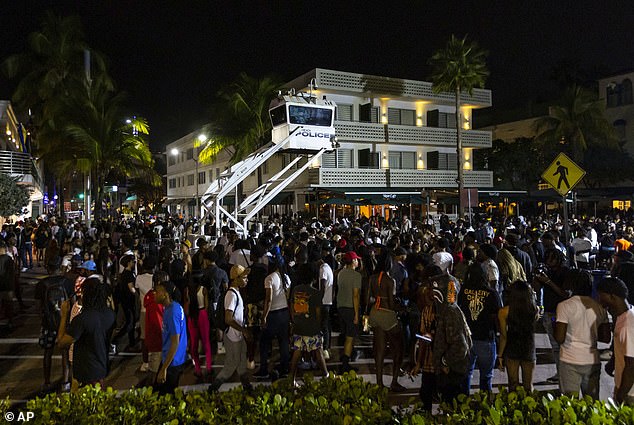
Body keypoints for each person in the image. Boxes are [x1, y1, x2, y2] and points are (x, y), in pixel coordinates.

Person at [554, 269, 610, 399]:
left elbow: (560, 338)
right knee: (591, 404)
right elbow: (606, 338)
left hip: (569, 359)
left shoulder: (564, 306)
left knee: (569, 404)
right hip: (592, 360)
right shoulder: (599, 307)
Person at [57, 278, 115, 390]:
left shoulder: (82, 319)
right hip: (102, 368)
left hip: (85, 373)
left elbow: (61, 342)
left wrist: (64, 315)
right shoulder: (110, 314)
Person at [457, 263, 501, 393]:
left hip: (466, 337)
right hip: (485, 338)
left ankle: (463, 403)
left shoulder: (463, 290)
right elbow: (497, 316)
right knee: (486, 376)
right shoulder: (491, 293)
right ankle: (484, 405)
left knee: (466, 374)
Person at [208, 264, 252, 392]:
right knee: (230, 366)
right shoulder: (232, 295)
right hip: (233, 336)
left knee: (241, 363)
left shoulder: (236, 292)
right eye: (244, 277)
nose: (246, 280)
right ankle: (213, 388)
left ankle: (247, 387)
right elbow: (228, 319)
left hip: (237, 335)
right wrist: (243, 330)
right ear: (236, 279)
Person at [34, 258, 73, 392]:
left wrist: (43, 319)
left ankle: (46, 381)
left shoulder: (42, 284)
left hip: (48, 323)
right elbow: (72, 301)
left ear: (48, 268)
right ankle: (65, 381)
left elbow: (39, 306)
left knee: (47, 352)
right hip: (64, 321)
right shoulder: (67, 282)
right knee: (65, 353)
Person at [431, 273, 472, 403]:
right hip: (452, 371)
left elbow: (461, 346)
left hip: (453, 373)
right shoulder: (449, 310)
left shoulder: (450, 312)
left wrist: (444, 361)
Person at [365, 264, 405, 392]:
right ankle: (394, 382)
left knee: (379, 350)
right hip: (387, 314)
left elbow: (367, 299)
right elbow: (392, 304)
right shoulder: (390, 280)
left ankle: (379, 383)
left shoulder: (372, 278)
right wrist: (402, 308)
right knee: (398, 349)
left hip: (375, 312)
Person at [289, 263, 329, 386]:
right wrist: (318, 325)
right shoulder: (315, 293)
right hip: (312, 327)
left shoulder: (296, 290)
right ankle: (326, 375)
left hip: (299, 325)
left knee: (297, 352)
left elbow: (292, 308)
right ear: (313, 277)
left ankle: (291, 379)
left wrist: (294, 321)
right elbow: (318, 313)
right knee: (318, 351)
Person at [597, 277, 634, 405]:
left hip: (630, 392)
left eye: (602, 296)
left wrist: (619, 396)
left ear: (612, 296)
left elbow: (631, 365)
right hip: (624, 386)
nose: (599, 300)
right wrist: (612, 364)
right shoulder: (624, 315)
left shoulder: (628, 324)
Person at [498, 280, 539, 392]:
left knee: (513, 384)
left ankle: (513, 406)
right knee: (528, 386)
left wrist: (500, 355)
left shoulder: (504, 312)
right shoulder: (535, 310)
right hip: (528, 347)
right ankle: (529, 408)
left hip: (512, 347)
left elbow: (503, 336)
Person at [255, 259, 291, 379]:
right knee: (284, 341)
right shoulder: (286, 277)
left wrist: (264, 316)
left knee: (264, 342)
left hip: (273, 313)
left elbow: (268, 299)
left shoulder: (269, 278)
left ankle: (264, 368)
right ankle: (285, 368)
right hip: (284, 312)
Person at [154, 280, 187, 394]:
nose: (155, 294)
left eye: (157, 292)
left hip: (172, 361)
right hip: (172, 359)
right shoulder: (173, 307)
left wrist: (164, 369)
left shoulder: (172, 312)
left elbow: (175, 342)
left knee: (164, 395)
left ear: (165, 294)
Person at [336, 251, 362, 373]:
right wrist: (357, 314)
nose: (358, 261)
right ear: (353, 261)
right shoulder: (356, 276)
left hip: (340, 306)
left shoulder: (340, 273)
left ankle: (347, 358)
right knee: (350, 337)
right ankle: (345, 364)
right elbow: (355, 296)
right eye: (356, 259)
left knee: (347, 334)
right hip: (350, 308)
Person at [184, 271, 213, 379]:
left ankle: (197, 369)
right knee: (206, 342)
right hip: (202, 314)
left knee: (194, 344)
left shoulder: (187, 290)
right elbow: (206, 306)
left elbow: (186, 309)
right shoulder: (203, 289)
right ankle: (208, 367)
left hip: (192, 316)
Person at [0, 240, 16, 329]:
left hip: (1, 284)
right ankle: (10, 321)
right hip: (8, 285)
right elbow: (12, 272)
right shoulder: (9, 259)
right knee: (9, 304)